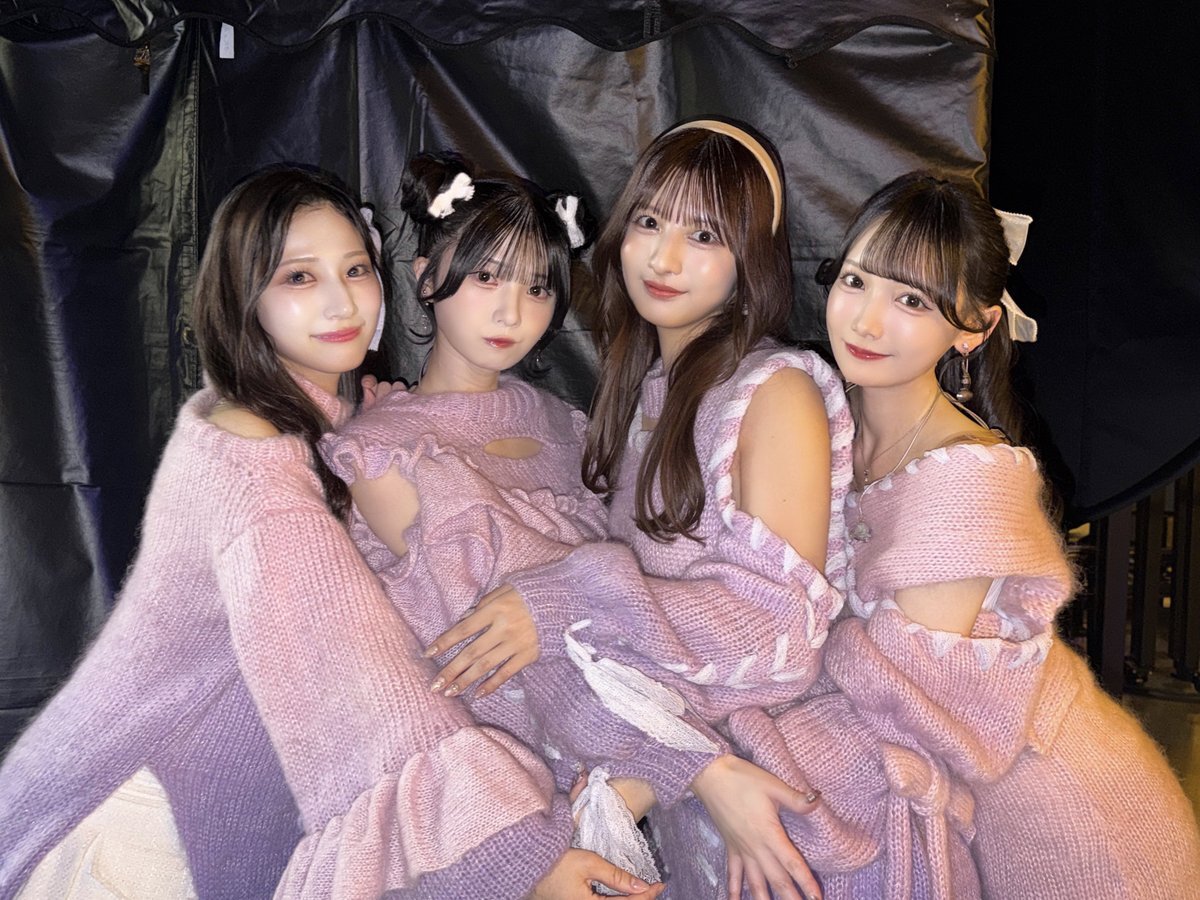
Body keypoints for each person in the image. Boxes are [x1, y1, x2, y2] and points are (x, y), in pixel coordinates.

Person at [0, 165, 662, 900]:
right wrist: (520, 859)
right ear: (244, 297)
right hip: (142, 825)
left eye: (354, 269)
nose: (341, 301)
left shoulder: (318, 423)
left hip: (212, 804)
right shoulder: (251, 460)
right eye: (299, 277)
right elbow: (359, 669)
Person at [320, 150, 832, 898]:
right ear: (426, 277)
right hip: (492, 810)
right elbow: (507, 641)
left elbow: (608, 624)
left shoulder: (575, 428)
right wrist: (694, 766)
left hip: (612, 790)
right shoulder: (382, 449)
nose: (510, 312)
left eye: (536, 286)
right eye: (485, 277)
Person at [733, 171, 1200, 898]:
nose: (866, 321)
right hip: (958, 810)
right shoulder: (823, 423)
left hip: (1067, 831)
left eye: (911, 300)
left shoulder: (969, 482)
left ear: (975, 327)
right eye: (855, 281)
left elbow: (899, 705)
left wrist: (710, 759)